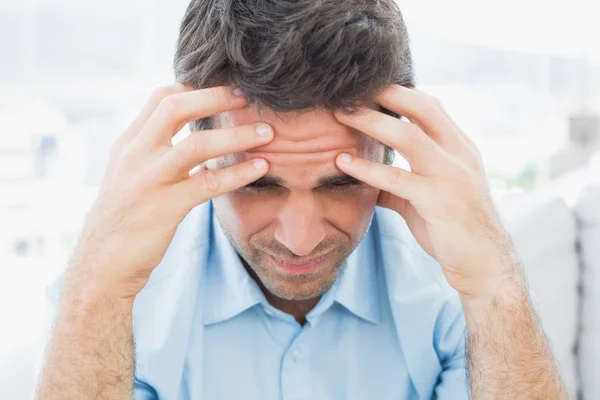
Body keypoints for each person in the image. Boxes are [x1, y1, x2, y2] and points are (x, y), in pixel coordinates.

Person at [34, 0, 567, 399]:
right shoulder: (119, 292)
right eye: (257, 183)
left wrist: (494, 285)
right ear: (201, 150)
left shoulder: (455, 285)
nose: (301, 238)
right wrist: (98, 292)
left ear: (388, 153)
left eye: (343, 182)